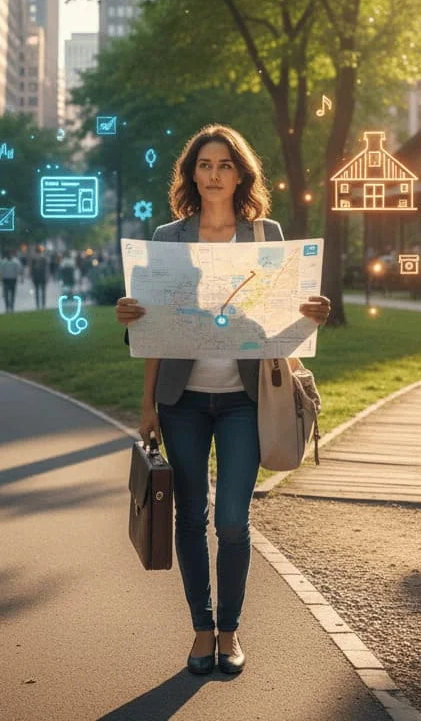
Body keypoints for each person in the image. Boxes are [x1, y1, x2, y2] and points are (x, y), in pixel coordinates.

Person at [115, 124, 331, 677]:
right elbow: (154, 330)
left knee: (232, 521)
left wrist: (310, 316)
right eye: (205, 165)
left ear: (241, 174)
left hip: (244, 399)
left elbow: (281, 320)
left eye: (224, 165)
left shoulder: (265, 234)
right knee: (190, 517)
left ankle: (230, 630)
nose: (214, 175)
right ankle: (201, 629)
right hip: (180, 401)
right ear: (192, 173)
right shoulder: (168, 238)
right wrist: (134, 329)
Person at [28, 245, 50, 309]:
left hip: (36, 276)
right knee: (43, 291)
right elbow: (46, 268)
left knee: (37, 291)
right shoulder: (43, 257)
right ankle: (43, 304)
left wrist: (31, 274)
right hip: (42, 276)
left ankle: (38, 305)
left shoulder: (34, 258)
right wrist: (47, 276)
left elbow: (31, 268)